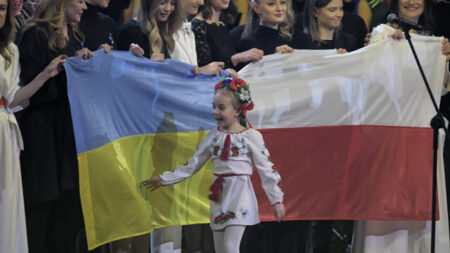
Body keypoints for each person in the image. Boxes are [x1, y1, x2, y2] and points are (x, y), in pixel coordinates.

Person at [141, 77, 286, 253]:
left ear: (237, 111)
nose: (215, 112)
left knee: (230, 247)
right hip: (219, 196)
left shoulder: (251, 136)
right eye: (214, 106)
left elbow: (266, 169)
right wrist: (164, 179)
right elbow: (192, 165)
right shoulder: (213, 136)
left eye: (221, 108)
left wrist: (276, 200)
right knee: (221, 250)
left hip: (240, 193)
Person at [353, 0, 450, 252]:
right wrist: (387, 50)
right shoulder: (381, 33)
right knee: (388, 200)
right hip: (389, 133)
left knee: (420, 199)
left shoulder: (433, 39)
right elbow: (372, 81)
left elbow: (439, 88)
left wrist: (445, 60)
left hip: (421, 130)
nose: (412, 1)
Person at [15, 0, 94, 252]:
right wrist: (59, 69)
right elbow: (23, 94)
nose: (85, 6)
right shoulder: (34, 36)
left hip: (69, 134)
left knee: (67, 209)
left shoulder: (76, 35)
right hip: (42, 134)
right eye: (80, 0)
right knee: (42, 209)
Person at [0, 0, 66, 252]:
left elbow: (14, 98)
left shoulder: (10, 51)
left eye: (4, 8)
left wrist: (45, 74)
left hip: (5, 133)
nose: (1, 13)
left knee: (7, 202)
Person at [191, 0, 263, 70]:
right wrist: (236, 59)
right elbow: (205, 70)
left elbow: (231, 66)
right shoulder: (198, 26)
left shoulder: (222, 26)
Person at [116, 0, 183, 61]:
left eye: (173, 4)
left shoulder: (162, 30)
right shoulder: (130, 31)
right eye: (162, 3)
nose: (168, 9)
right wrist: (150, 64)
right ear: (149, 3)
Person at [235, 0, 295, 68]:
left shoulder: (291, 41)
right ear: (257, 8)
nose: (280, 8)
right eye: (271, 4)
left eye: (283, 3)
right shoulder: (246, 44)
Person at [292, 0, 357, 52]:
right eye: (332, 10)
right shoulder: (301, 42)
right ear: (315, 12)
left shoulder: (349, 41)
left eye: (341, 9)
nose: (339, 15)